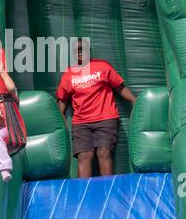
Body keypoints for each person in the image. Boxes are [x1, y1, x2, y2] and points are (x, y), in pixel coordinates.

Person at [56, 39, 136, 178]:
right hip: (81, 122)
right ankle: (84, 194)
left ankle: (108, 191)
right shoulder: (69, 74)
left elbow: (120, 88)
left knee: (103, 152)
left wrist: (136, 102)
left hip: (106, 118)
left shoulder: (102, 66)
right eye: (77, 50)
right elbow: (62, 102)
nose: (80, 52)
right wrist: (62, 123)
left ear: (89, 50)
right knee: (84, 156)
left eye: (83, 48)